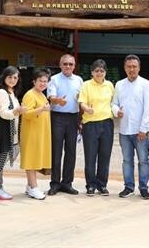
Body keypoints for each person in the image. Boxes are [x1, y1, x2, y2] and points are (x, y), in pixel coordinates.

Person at [112, 54, 149, 199]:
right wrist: (116, 111)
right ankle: (128, 187)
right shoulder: (119, 84)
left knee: (143, 160)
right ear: (124, 68)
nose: (132, 69)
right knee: (127, 160)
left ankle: (143, 187)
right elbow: (114, 103)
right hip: (124, 130)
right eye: (129, 66)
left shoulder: (146, 84)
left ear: (139, 68)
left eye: (134, 66)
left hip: (140, 131)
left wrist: (144, 128)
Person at [46, 54, 83, 196]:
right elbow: (51, 97)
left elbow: (81, 100)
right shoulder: (54, 79)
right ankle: (55, 183)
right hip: (58, 117)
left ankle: (67, 183)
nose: (68, 66)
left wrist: (81, 120)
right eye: (65, 64)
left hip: (73, 118)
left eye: (70, 64)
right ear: (60, 65)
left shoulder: (79, 80)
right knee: (56, 151)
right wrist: (57, 101)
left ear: (74, 65)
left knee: (71, 151)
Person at [78, 59, 115, 196]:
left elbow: (114, 103)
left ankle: (102, 185)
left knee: (105, 156)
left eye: (102, 70)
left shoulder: (110, 85)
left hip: (106, 124)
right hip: (90, 125)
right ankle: (90, 185)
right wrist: (86, 108)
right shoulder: (86, 85)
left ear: (105, 72)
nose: (99, 73)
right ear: (92, 72)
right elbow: (81, 102)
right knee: (90, 156)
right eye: (96, 70)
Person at [0, 66, 25, 200]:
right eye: (10, 77)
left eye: (15, 77)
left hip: (7, 130)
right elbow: (4, 113)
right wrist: (16, 112)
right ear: (4, 77)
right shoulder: (2, 93)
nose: (13, 80)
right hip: (1, 130)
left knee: (1, 159)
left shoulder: (11, 93)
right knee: (0, 159)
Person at [20, 68, 52, 200]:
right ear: (34, 81)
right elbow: (26, 114)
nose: (43, 83)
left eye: (45, 81)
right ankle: (33, 187)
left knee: (35, 157)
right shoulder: (30, 95)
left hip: (40, 132)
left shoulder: (42, 95)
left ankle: (29, 186)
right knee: (31, 159)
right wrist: (41, 109)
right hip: (31, 132)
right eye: (40, 81)